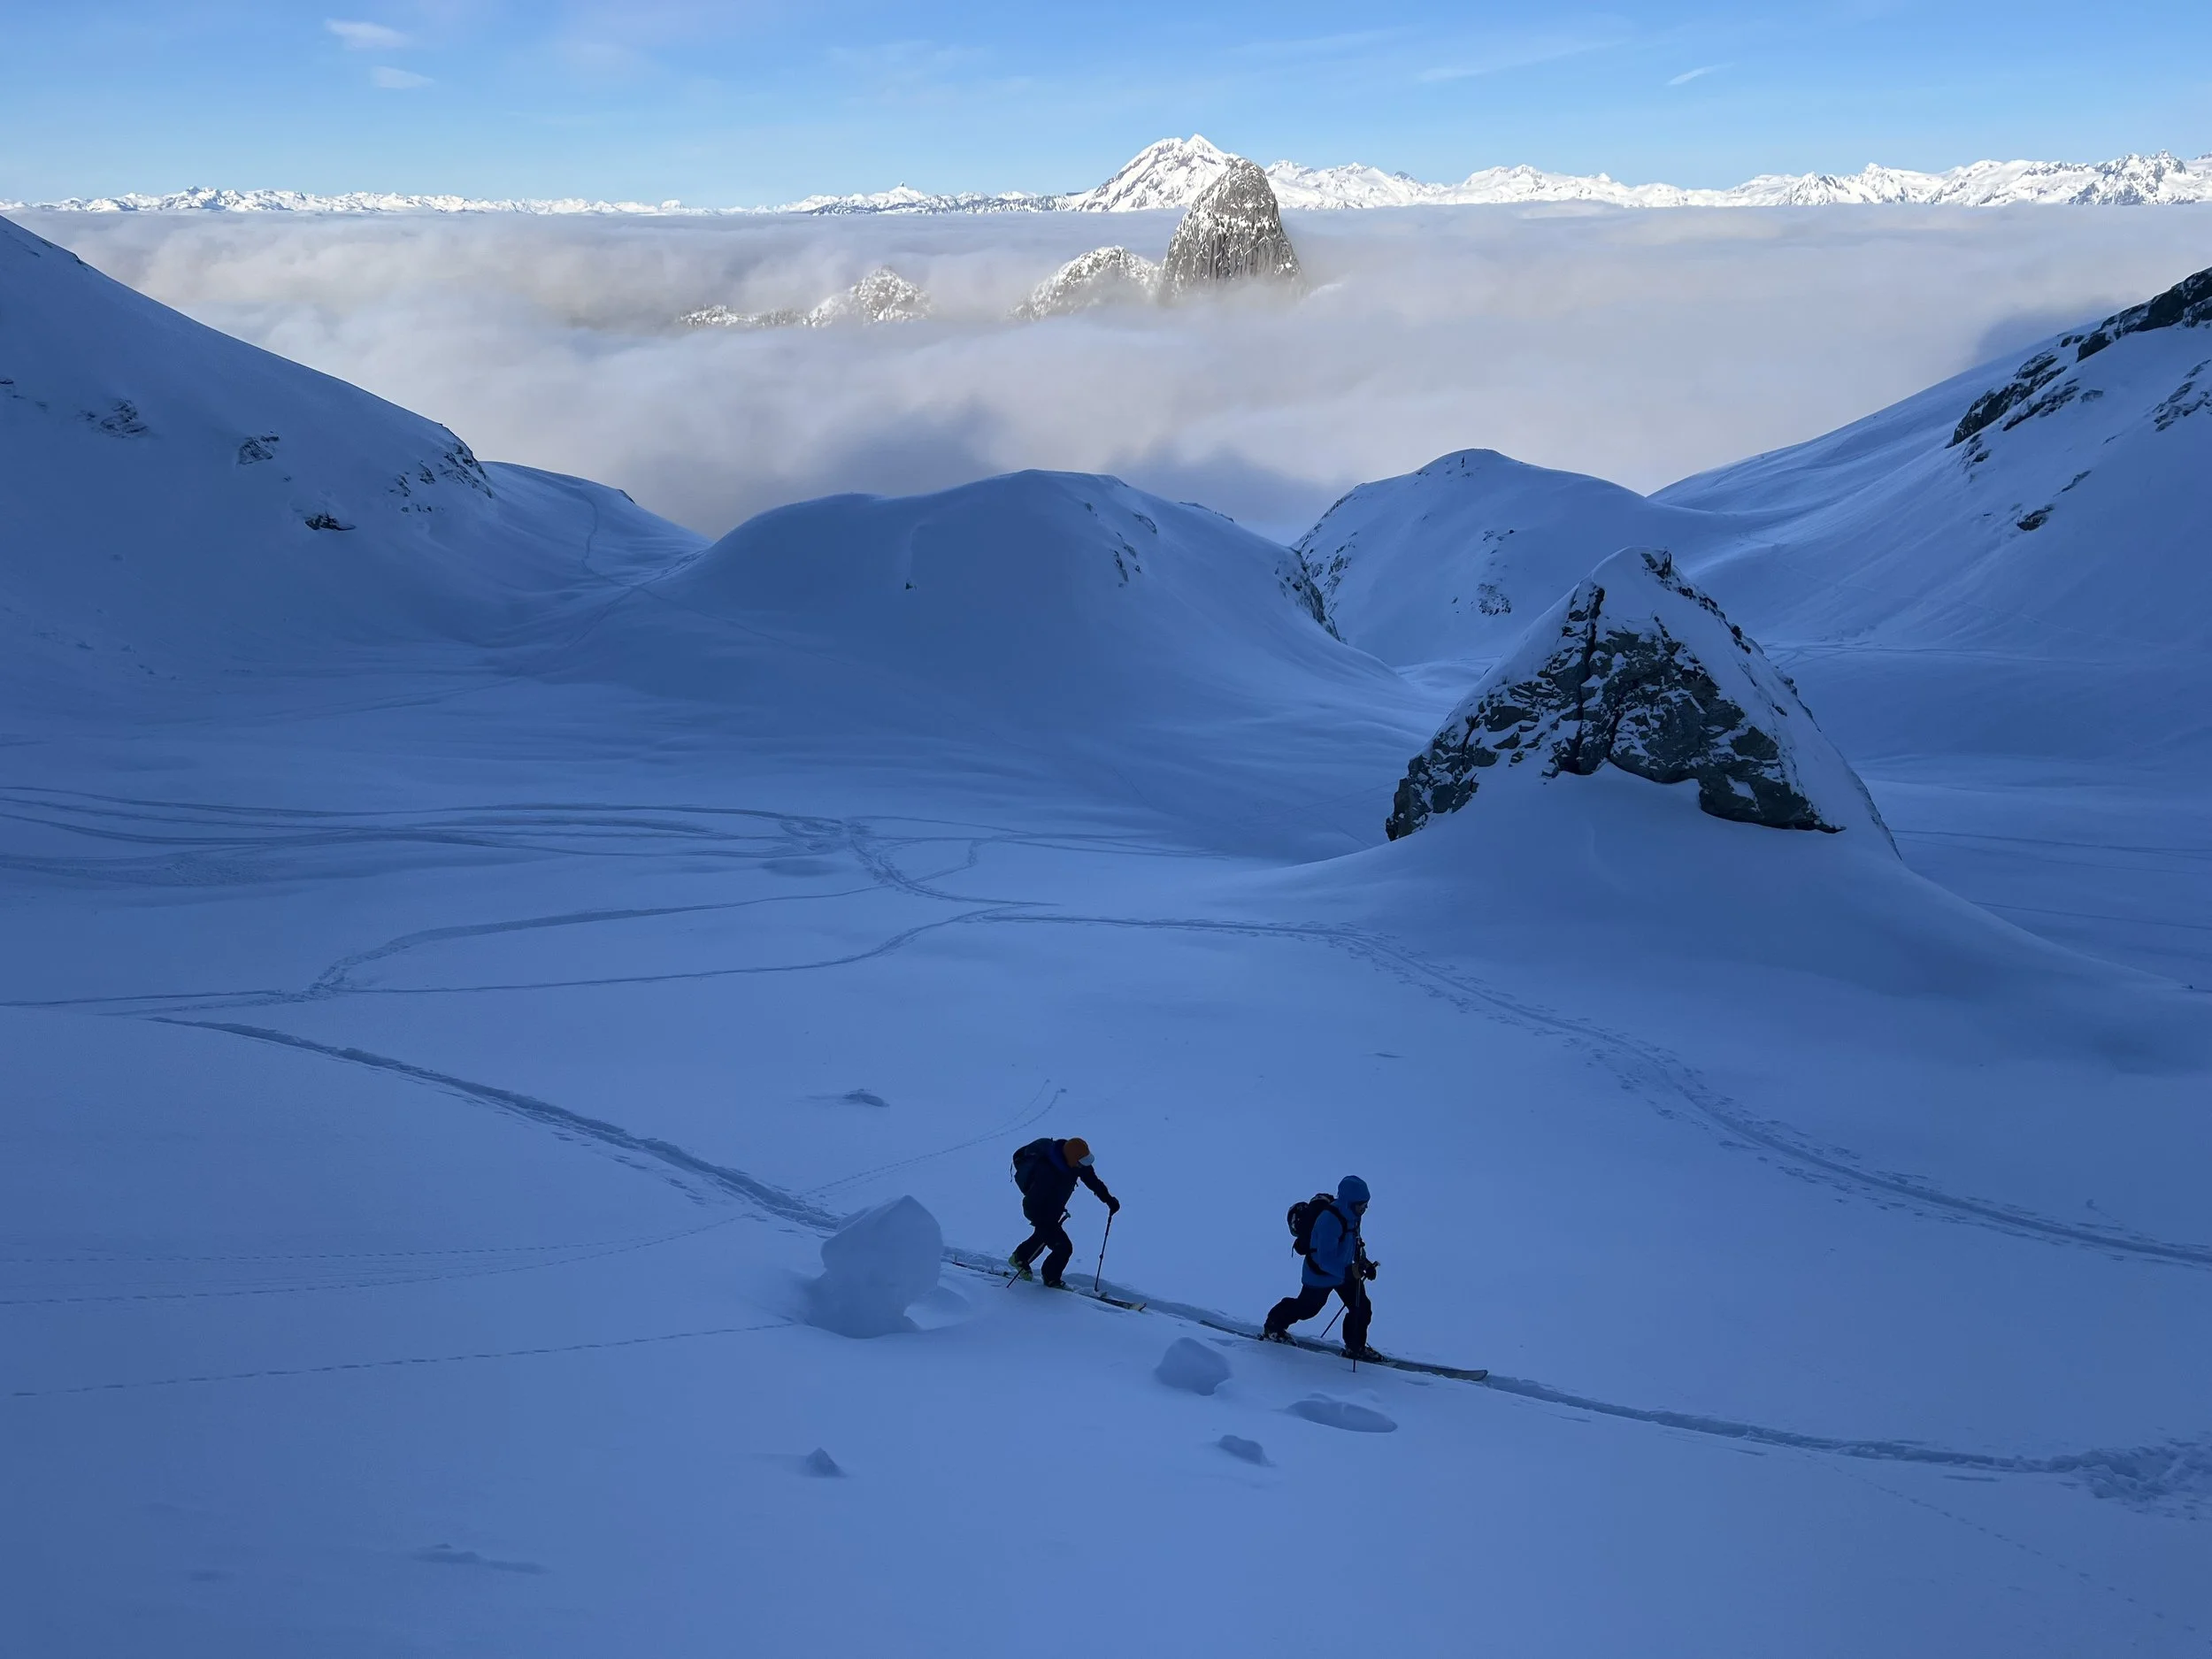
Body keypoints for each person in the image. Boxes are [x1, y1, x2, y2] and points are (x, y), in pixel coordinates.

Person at [1262, 1175, 1379, 1360]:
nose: (1364, 1209)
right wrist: (1348, 1271)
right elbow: (1324, 1259)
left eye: (1366, 1205)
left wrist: (1364, 1263)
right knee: (1307, 1309)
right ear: (1349, 1201)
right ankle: (1274, 1326)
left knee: (1361, 1307)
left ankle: (1355, 1348)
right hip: (1320, 1274)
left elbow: (1354, 1243)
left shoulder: (1354, 1216)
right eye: (1361, 1205)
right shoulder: (1329, 1221)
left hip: (1346, 1272)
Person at [1008, 1135, 1119, 1288]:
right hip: (1038, 1210)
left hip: (1054, 1209)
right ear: (1073, 1160)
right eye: (1082, 1162)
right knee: (1063, 1247)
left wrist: (1108, 1200)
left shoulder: (1076, 1165)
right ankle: (1051, 1278)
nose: (1085, 1165)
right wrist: (1045, 1221)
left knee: (1043, 1236)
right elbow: (1033, 1200)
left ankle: (1019, 1258)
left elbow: (1092, 1180)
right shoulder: (1047, 1171)